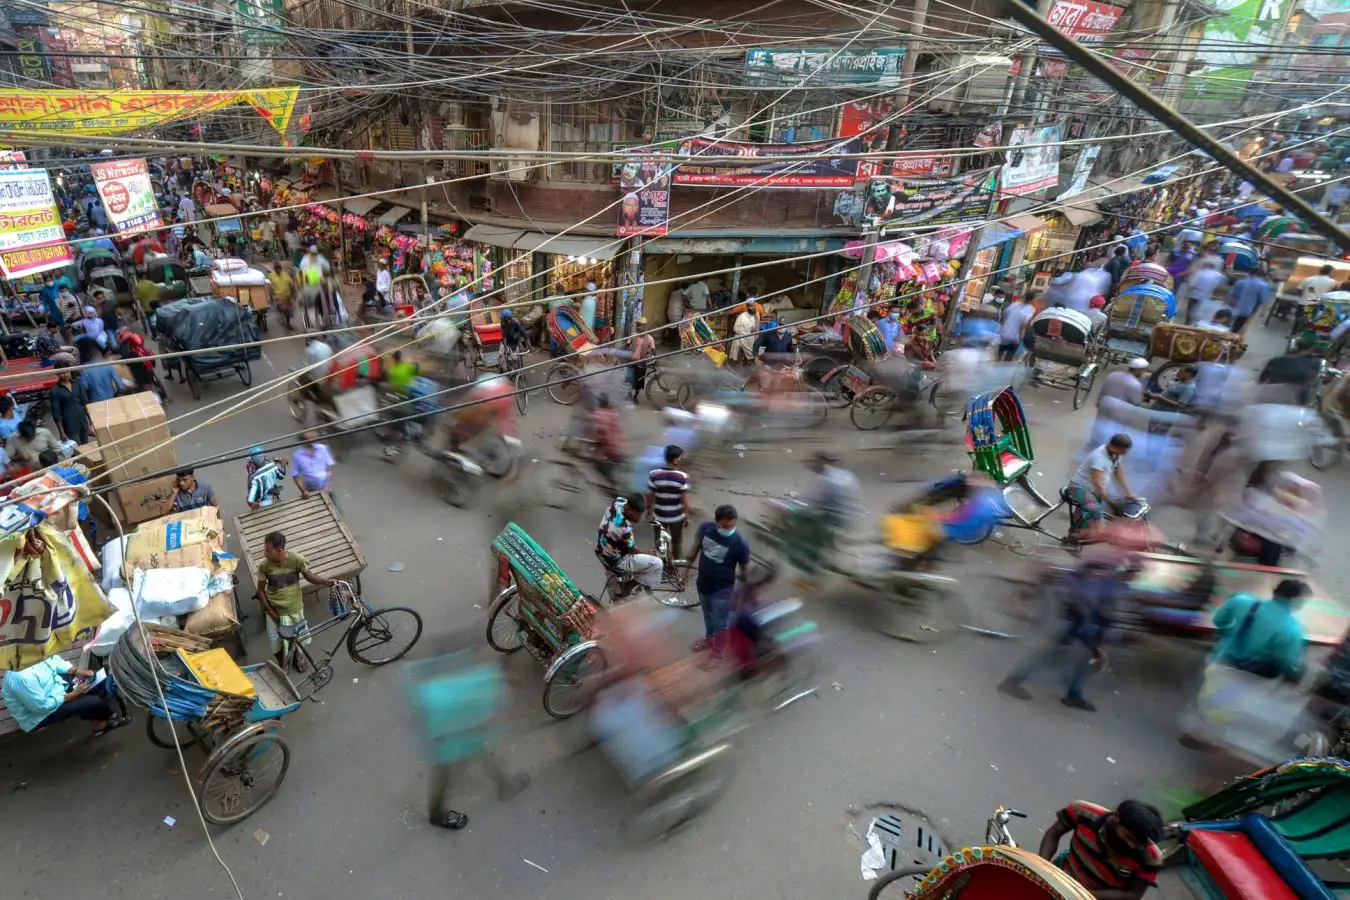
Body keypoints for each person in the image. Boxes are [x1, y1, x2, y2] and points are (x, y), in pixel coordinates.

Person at [407, 639, 530, 832]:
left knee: (486, 752)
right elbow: (485, 723)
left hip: (443, 722)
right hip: (449, 737)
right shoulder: (488, 691)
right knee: (448, 773)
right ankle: (437, 813)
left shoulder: (480, 678)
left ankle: (504, 783)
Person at [998, 554, 1134, 711]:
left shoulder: (1103, 584)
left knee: (1079, 663)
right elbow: (1085, 609)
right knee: (1045, 657)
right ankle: (1011, 682)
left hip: (1079, 631)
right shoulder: (1091, 583)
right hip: (1069, 630)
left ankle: (1073, 695)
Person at [1036, 798, 1165, 898]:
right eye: (1129, 837)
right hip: (1064, 874)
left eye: (1138, 843)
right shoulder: (1082, 812)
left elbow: (1133, 894)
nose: (1132, 846)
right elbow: (1054, 833)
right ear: (1116, 817)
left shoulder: (1151, 857)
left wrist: (1080, 895)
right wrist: (1041, 867)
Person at [256, 530, 334, 669]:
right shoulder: (264, 566)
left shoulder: (296, 560)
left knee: (298, 637)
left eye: (268, 550)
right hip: (274, 610)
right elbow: (260, 590)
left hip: (294, 608)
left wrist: (327, 581)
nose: (264, 553)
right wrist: (271, 612)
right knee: (275, 640)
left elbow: (310, 577)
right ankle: (282, 663)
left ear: (279, 550)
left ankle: (299, 655)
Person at [0, 656, 129, 736]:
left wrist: (76, 670)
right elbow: (42, 707)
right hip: (40, 714)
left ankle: (101, 715)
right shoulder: (21, 677)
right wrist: (74, 694)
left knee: (99, 680)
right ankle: (100, 726)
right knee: (96, 702)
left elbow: (53, 661)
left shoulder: (34, 652)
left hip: (56, 687)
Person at [1067, 434, 1137, 540]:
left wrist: (1128, 493)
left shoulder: (1114, 455)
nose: (1125, 454)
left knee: (1091, 512)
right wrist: (1110, 502)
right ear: (1114, 446)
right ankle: (1082, 536)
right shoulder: (1098, 458)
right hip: (1078, 488)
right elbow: (1097, 484)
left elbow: (1118, 473)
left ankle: (1076, 533)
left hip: (1094, 490)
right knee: (1096, 511)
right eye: (1123, 451)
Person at [594, 496, 663, 600]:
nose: (639, 518)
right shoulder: (624, 529)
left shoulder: (618, 502)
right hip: (615, 561)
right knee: (657, 563)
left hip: (600, 548)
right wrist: (649, 553)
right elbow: (634, 549)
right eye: (637, 514)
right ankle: (628, 586)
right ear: (629, 509)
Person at [645, 444, 690, 558]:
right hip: (676, 517)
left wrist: (648, 509)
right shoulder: (682, 477)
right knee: (676, 541)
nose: (681, 460)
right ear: (675, 460)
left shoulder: (654, 474)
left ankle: (661, 564)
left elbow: (649, 494)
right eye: (680, 457)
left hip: (659, 516)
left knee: (659, 541)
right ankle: (675, 565)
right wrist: (686, 515)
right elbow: (685, 500)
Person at [589, 394, 626, 488]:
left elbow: (602, 433)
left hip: (610, 447)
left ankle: (612, 484)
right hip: (619, 444)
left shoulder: (599, 414)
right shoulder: (613, 413)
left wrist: (597, 445)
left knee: (598, 464)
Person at [291, 431, 338, 506]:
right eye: (309, 438)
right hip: (310, 491)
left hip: (326, 488)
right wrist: (303, 491)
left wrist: (327, 483)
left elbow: (330, 465)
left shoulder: (323, 448)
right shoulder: (297, 455)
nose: (313, 440)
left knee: (335, 510)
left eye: (313, 438)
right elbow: (295, 475)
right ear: (303, 440)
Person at [49, 367, 88, 444]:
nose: (66, 374)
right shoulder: (54, 391)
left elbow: (84, 403)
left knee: (86, 445)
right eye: (62, 373)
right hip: (69, 425)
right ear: (57, 374)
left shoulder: (77, 384)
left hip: (82, 421)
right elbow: (56, 412)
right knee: (77, 448)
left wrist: (91, 422)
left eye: (67, 372)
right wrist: (61, 432)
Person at [1186, 258, 1229, 325]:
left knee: (1191, 315)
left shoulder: (1200, 273)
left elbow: (1192, 284)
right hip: (1208, 297)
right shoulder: (1219, 276)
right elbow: (1219, 287)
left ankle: (1188, 326)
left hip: (1195, 295)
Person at [1228, 267, 1271, 332]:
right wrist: (1263, 312)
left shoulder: (1240, 282)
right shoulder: (1263, 285)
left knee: (1229, 328)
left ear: (1249, 273)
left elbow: (1232, 296)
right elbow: (1265, 301)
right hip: (1249, 312)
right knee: (1239, 329)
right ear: (1261, 275)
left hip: (1234, 309)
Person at [997, 293, 1035, 362]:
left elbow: (1003, 313)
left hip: (1004, 333)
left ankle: (994, 368)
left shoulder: (1014, 304)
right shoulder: (1031, 309)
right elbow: (1023, 325)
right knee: (1008, 358)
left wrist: (1001, 326)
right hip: (1015, 337)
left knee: (999, 355)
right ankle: (1002, 370)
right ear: (1032, 300)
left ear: (1023, 296)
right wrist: (1020, 338)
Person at [627, 317, 656, 404]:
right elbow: (626, 344)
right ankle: (628, 395)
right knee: (629, 380)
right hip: (631, 361)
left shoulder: (650, 339)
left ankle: (635, 396)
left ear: (645, 326)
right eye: (637, 325)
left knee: (639, 382)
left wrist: (650, 351)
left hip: (642, 364)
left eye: (640, 326)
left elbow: (654, 350)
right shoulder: (633, 335)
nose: (638, 327)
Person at [267, 264, 296, 328]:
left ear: (281, 269)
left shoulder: (285, 275)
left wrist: (293, 293)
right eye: (276, 269)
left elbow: (291, 284)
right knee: (285, 311)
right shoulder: (271, 276)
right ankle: (287, 323)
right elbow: (269, 287)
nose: (278, 270)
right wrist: (270, 296)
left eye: (279, 269)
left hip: (287, 296)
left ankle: (287, 322)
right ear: (274, 270)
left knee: (290, 311)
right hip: (278, 297)